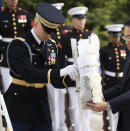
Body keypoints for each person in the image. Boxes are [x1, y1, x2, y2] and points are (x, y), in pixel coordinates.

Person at [5, 2, 78, 131]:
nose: (50, 34)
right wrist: (61, 72)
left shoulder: (50, 45)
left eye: (53, 31)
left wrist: (74, 78)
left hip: (41, 106)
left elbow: (55, 79)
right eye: (47, 30)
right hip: (20, 105)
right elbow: (30, 75)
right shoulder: (19, 44)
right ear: (36, 22)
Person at [61, 6, 92, 131]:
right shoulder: (66, 37)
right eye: (79, 19)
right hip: (72, 76)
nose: (81, 21)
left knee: (87, 107)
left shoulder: (90, 35)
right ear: (73, 20)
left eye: (83, 18)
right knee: (74, 107)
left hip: (87, 76)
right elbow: (62, 58)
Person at [100, 24, 129, 131]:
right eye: (113, 35)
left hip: (123, 83)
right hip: (109, 83)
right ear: (109, 36)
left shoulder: (125, 49)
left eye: (117, 35)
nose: (116, 38)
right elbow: (99, 69)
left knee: (123, 110)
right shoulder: (104, 50)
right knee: (111, 110)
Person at [47, 3, 71, 131]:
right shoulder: (47, 30)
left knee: (62, 101)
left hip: (64, 70)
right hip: (50, 71)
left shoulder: (67, 30)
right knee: (52, 101)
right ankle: (54, 127)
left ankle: (61, 126)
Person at [0, 0, 31, 94]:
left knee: (23, 84)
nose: (14, 1)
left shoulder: (24, 13)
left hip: (21, 53)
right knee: (7, 85)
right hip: (5, 54)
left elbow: (29, 35)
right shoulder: (1, 14)